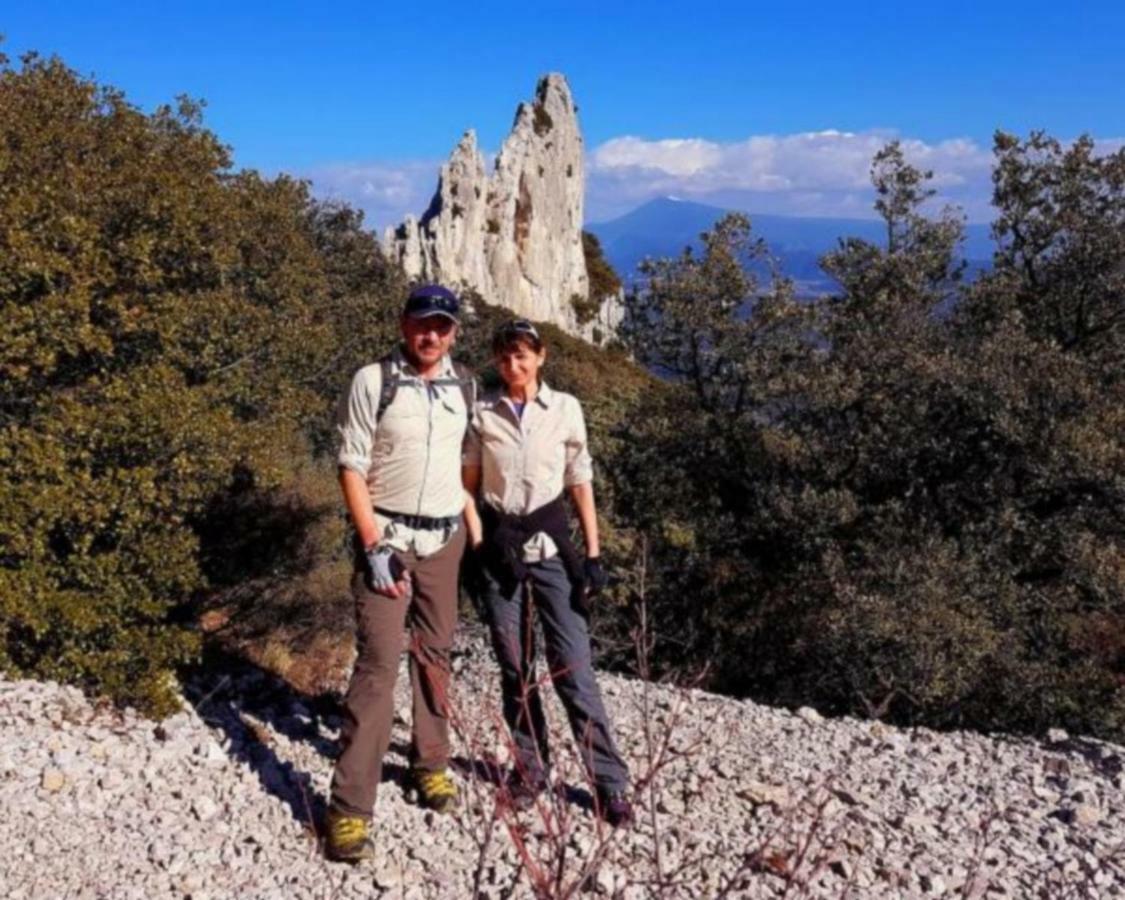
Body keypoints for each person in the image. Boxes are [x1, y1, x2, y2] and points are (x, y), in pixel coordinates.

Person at [462, 318, 634, 827]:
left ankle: (610, 783)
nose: (512, 365)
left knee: (574, 669)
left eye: (521, 355)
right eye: (504, 357)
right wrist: (478, 543)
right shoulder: (483, 414)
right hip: (500, 549)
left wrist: (595, 554)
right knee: (516, 668)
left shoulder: (565, 410)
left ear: (541, 357)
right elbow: (466, 486)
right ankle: (530, 771)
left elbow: (580, 482)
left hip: (552, 551)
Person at [325, 284, 476, 863]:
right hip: (386, 539)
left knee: (436, 657)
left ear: (454, 332)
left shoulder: (463, 386)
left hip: (444, 540)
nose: (430, 335)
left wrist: (471, 522)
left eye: (441, 325)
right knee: (379, 666)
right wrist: (373, 544)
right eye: (421, 324)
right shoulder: (374, 380)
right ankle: (349, 810)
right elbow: (350, 464)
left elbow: (465, 461)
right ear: (403, 324)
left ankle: (430, 765)